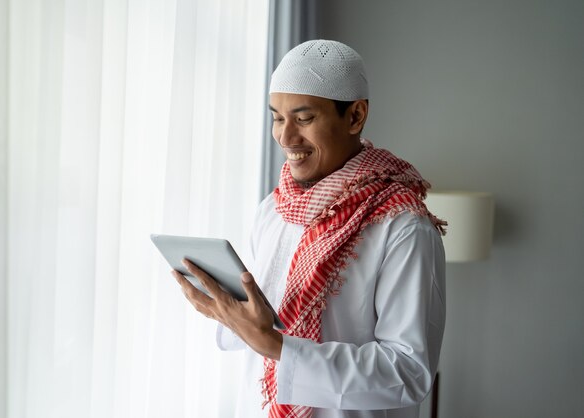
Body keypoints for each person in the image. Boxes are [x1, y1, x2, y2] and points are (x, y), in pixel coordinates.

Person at [172, 39, 446, 418]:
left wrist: (277, 346)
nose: (285, 137)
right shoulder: (273, 209)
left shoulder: (403, 226)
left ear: (355, 116)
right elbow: (260, 329)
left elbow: (408, 373)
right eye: (277, 117)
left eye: (303, 119)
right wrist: (229, 312)